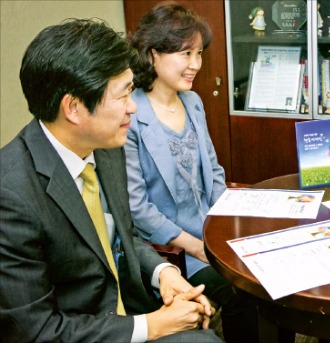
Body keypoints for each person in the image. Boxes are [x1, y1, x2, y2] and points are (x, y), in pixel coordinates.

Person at [0, 18, 222, 342]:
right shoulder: (11, 195)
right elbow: (36, 331)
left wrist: (164, 273)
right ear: (73, 107)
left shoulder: (105, 145)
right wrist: (154, 325)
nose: (133, 108)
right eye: (122, 96)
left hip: (129, 307)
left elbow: (121, 236)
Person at [126, 3, 258, 342]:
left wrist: (235, 221)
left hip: (213, 233)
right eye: (186, 53)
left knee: (269, 280)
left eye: (199, 53)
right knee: (246, 294)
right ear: (153, 54)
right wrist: (198, 247)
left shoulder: (193, 102)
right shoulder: (130, 116)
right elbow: (138, 209)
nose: (196, 64)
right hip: (175, 251)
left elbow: (213, 172)